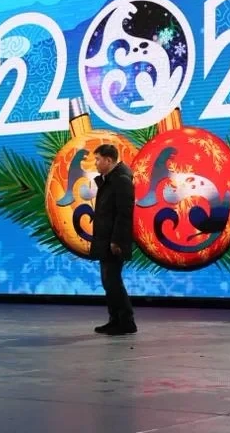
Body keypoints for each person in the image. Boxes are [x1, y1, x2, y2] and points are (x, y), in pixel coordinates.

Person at [88, 143, 136, 336]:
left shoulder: (121, 179)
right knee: (108, 281)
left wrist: (116, 240)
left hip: (114, 241)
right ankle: (115, 319)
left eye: (98, 159)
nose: (96, 163)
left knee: (113, 281)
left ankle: (126, 322)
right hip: (105, 239)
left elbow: (124, 213)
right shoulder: (109, 179)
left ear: (108, 160)